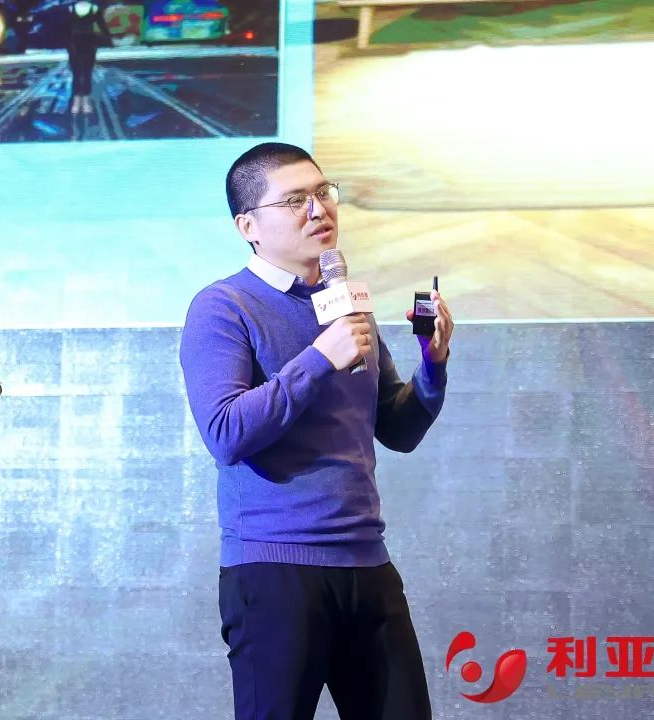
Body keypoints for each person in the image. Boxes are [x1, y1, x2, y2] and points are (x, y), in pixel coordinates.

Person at [179, 142, 454, 720]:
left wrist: (432, 364)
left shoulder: (345, 307)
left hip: (367, 563)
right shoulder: (223, 307)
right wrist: (319, 358)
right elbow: (226, 432)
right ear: (248, 226)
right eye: (294, 200)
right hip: (274, 569)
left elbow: (397, 429)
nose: (318, 209)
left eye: (324, 192)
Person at [65, 1, 111, 114]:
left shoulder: (94, 9)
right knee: (76, 73)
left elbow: (102, 25)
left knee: (87, 73)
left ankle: (86, 100)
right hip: (74, 45)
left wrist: (109, 40)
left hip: (89, 44)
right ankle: (76, 100)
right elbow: (65, 28)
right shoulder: (70, 9)